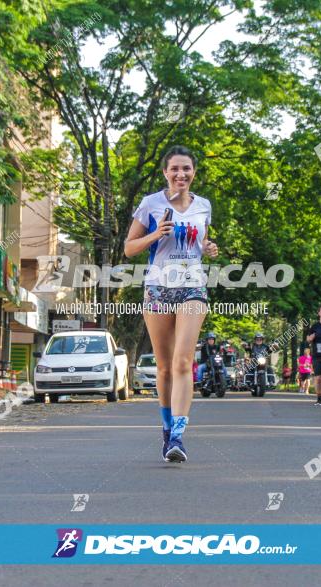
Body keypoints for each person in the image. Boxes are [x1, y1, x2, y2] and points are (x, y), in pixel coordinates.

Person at [125, 145, 219, 463]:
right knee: (164, 367)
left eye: (187, 168)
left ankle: (178, 435)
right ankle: (166, 432)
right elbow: (128, 248)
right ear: (166, 173)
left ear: (194, 173)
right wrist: (155, 235)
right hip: (158, 289)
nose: (181, 174)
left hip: (193, 288)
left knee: (182, 363)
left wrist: (208, 248)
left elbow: (199, 243)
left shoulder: (203, 206)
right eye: (175, 168)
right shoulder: (150, 204)